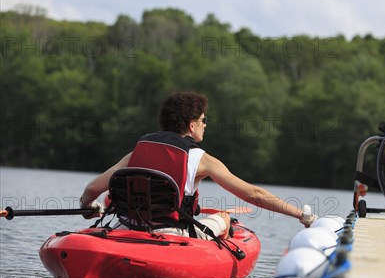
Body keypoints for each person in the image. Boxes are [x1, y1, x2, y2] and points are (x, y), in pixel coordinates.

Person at [79, 91, 317, 239]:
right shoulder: (201, 159)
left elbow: (92, 190)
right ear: (192, 125)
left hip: (127, 226)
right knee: (224, 217)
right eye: (203, 120)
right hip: (171, 234)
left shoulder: (136, 152)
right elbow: (253, 194)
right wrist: (300, 214)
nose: (206, 125)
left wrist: (88, 206)